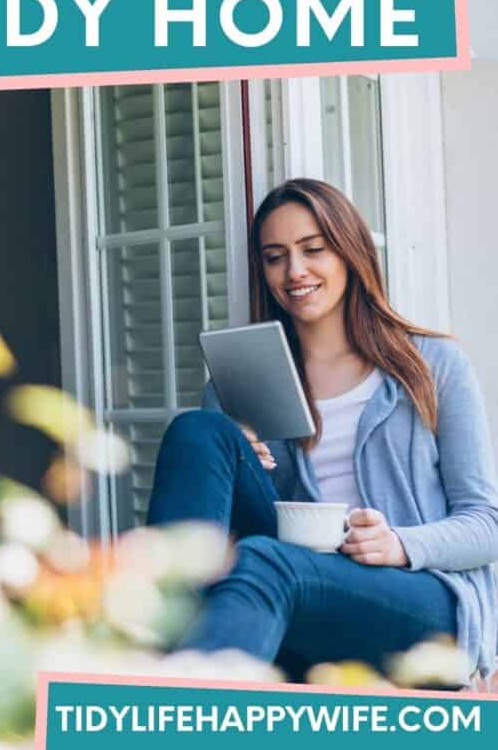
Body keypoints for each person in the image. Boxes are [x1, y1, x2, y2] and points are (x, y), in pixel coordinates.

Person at [147, 178, 498, 680]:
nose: (295, 271)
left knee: (269, 562)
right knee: (198, 431)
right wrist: (242, 461)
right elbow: (220, 531)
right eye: (274, 257)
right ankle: (160, 639)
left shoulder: (433, 365)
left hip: (419, 597)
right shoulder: (237, 385)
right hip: (293, 578)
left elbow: (487, 524)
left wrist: (399, 543)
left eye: (314, 249)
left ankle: (170, 708)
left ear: (349, 253)